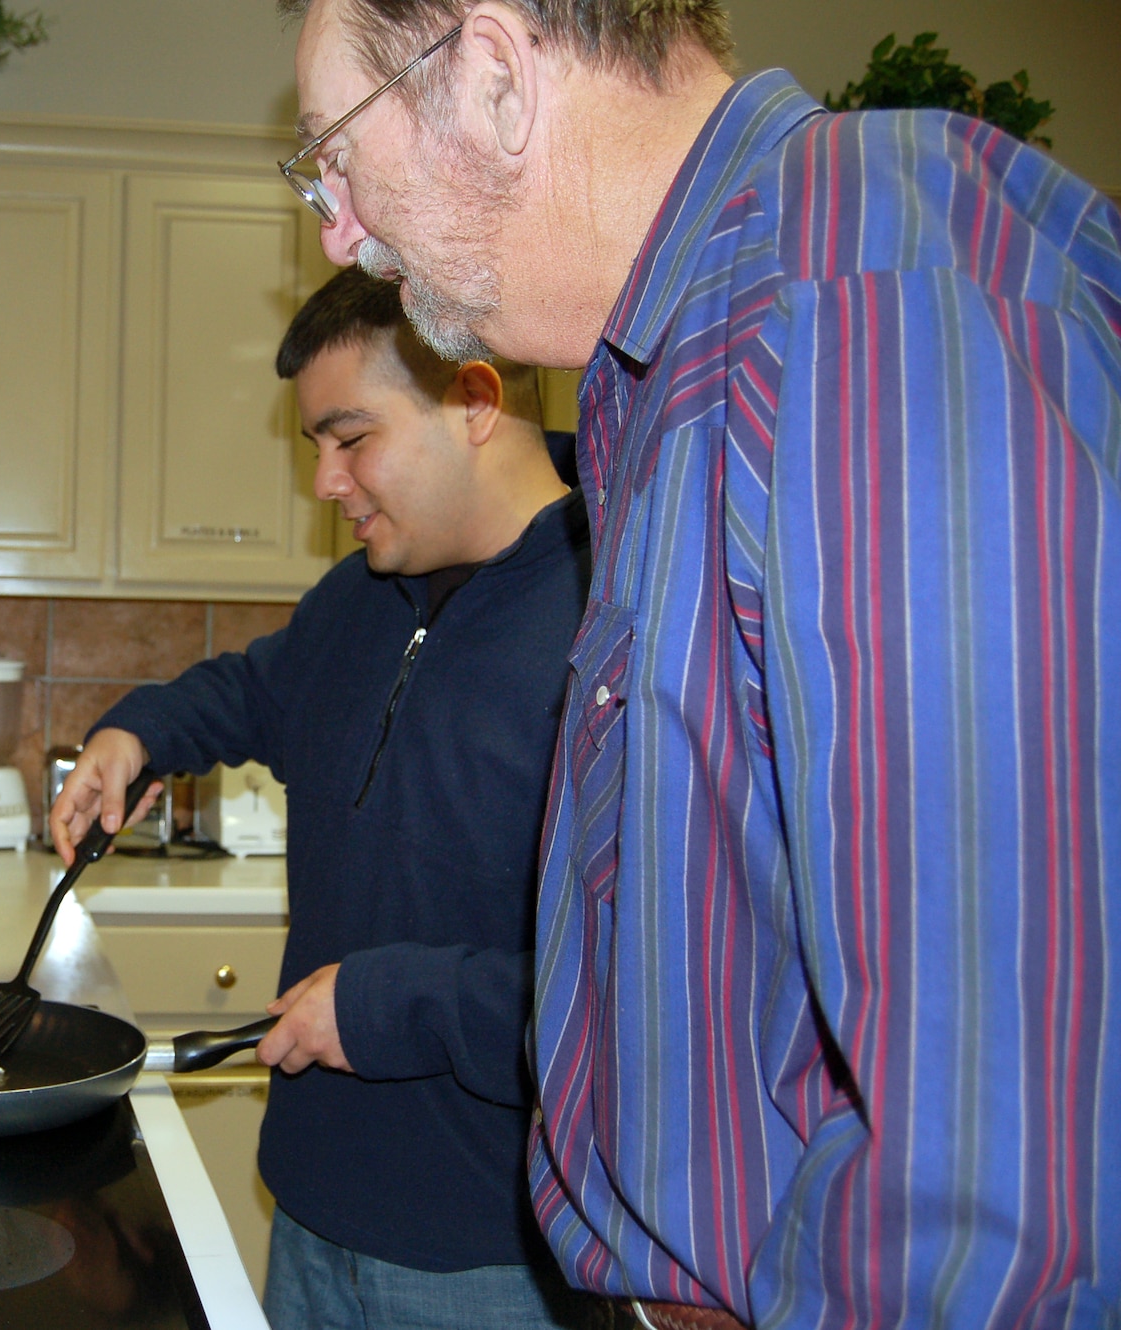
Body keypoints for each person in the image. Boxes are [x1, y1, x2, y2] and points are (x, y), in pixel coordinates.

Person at [279, 1, 1121, 1327]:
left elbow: (1008, 1169)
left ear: (491, 73)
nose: (338, 225)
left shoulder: (869, 296)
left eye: (335, 150)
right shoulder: (665, 370)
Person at [50, 265, 591, 1329]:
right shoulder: (360, 597)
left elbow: (623, 1000)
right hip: (307, 1211)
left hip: (491, 1260)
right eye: (316, 448)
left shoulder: (611, 620)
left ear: (477, 402)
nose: (324, 484)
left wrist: (386, 1005)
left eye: (351, 438)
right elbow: (251, 690)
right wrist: (136, 732)